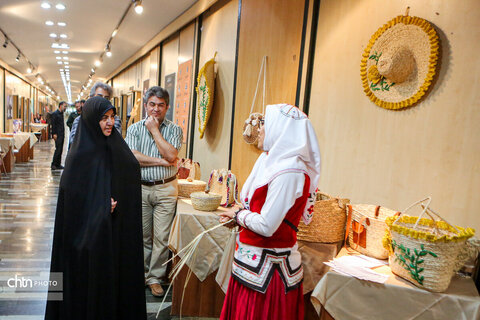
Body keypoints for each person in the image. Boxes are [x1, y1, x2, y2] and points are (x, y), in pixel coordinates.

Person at [45, 96, 147, 320]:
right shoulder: (79, 155)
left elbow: (129, 173)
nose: (110, 123)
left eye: (112, 117)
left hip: (113, 233)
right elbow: (71, 200)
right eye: (103, 118)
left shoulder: (117, 147)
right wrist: (98, 204)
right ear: (91, 119)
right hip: (86, 241)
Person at [218, 104, 321, 320]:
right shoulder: (269, 160)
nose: (260, 129)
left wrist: (237, 215)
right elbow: (253, 205)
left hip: (269, 274)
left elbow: (267, 225)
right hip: (252, 265)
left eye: (265, 123)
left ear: (279, 129)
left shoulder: (289, 172)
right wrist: (239, 218)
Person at [125, 86, 183, 297]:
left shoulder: (175, 129)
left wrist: (155, 131)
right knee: (142, 235)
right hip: (139, 187)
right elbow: (133, 157)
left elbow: (172, 153)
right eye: (152, 104)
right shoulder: (133, 129)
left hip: (166, 188)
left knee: (162, 236)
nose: (155, 109)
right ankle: (139, 273)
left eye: (160, 105)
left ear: (167, 107)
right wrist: (162, 160)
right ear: (146, 105)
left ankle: (155, 277)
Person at [50, 101, 67, 170]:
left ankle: (58, 164)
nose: (65, 108)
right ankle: (53, 164)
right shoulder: (55, 114)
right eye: (64, 106)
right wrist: (54, 133)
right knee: (58, 149)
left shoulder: (61, 114)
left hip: (62, 134)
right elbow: (53, 124)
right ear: (60, 106)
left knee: (61, 149)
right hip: (57, 134)